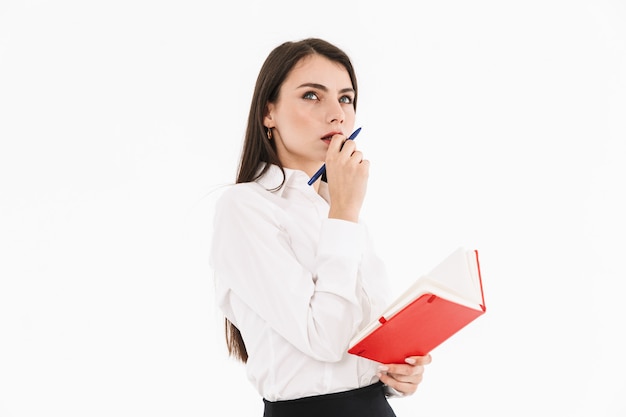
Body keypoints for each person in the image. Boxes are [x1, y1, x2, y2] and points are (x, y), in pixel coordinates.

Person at [209, 38, 432, 417]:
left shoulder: (334, 205)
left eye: (346, 98)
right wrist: (345, 210)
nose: (337, 114)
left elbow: (351, 345)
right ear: (269, 112)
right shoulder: (245, 208)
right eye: (312, 96)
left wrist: (394, 374)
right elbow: (325, 340)